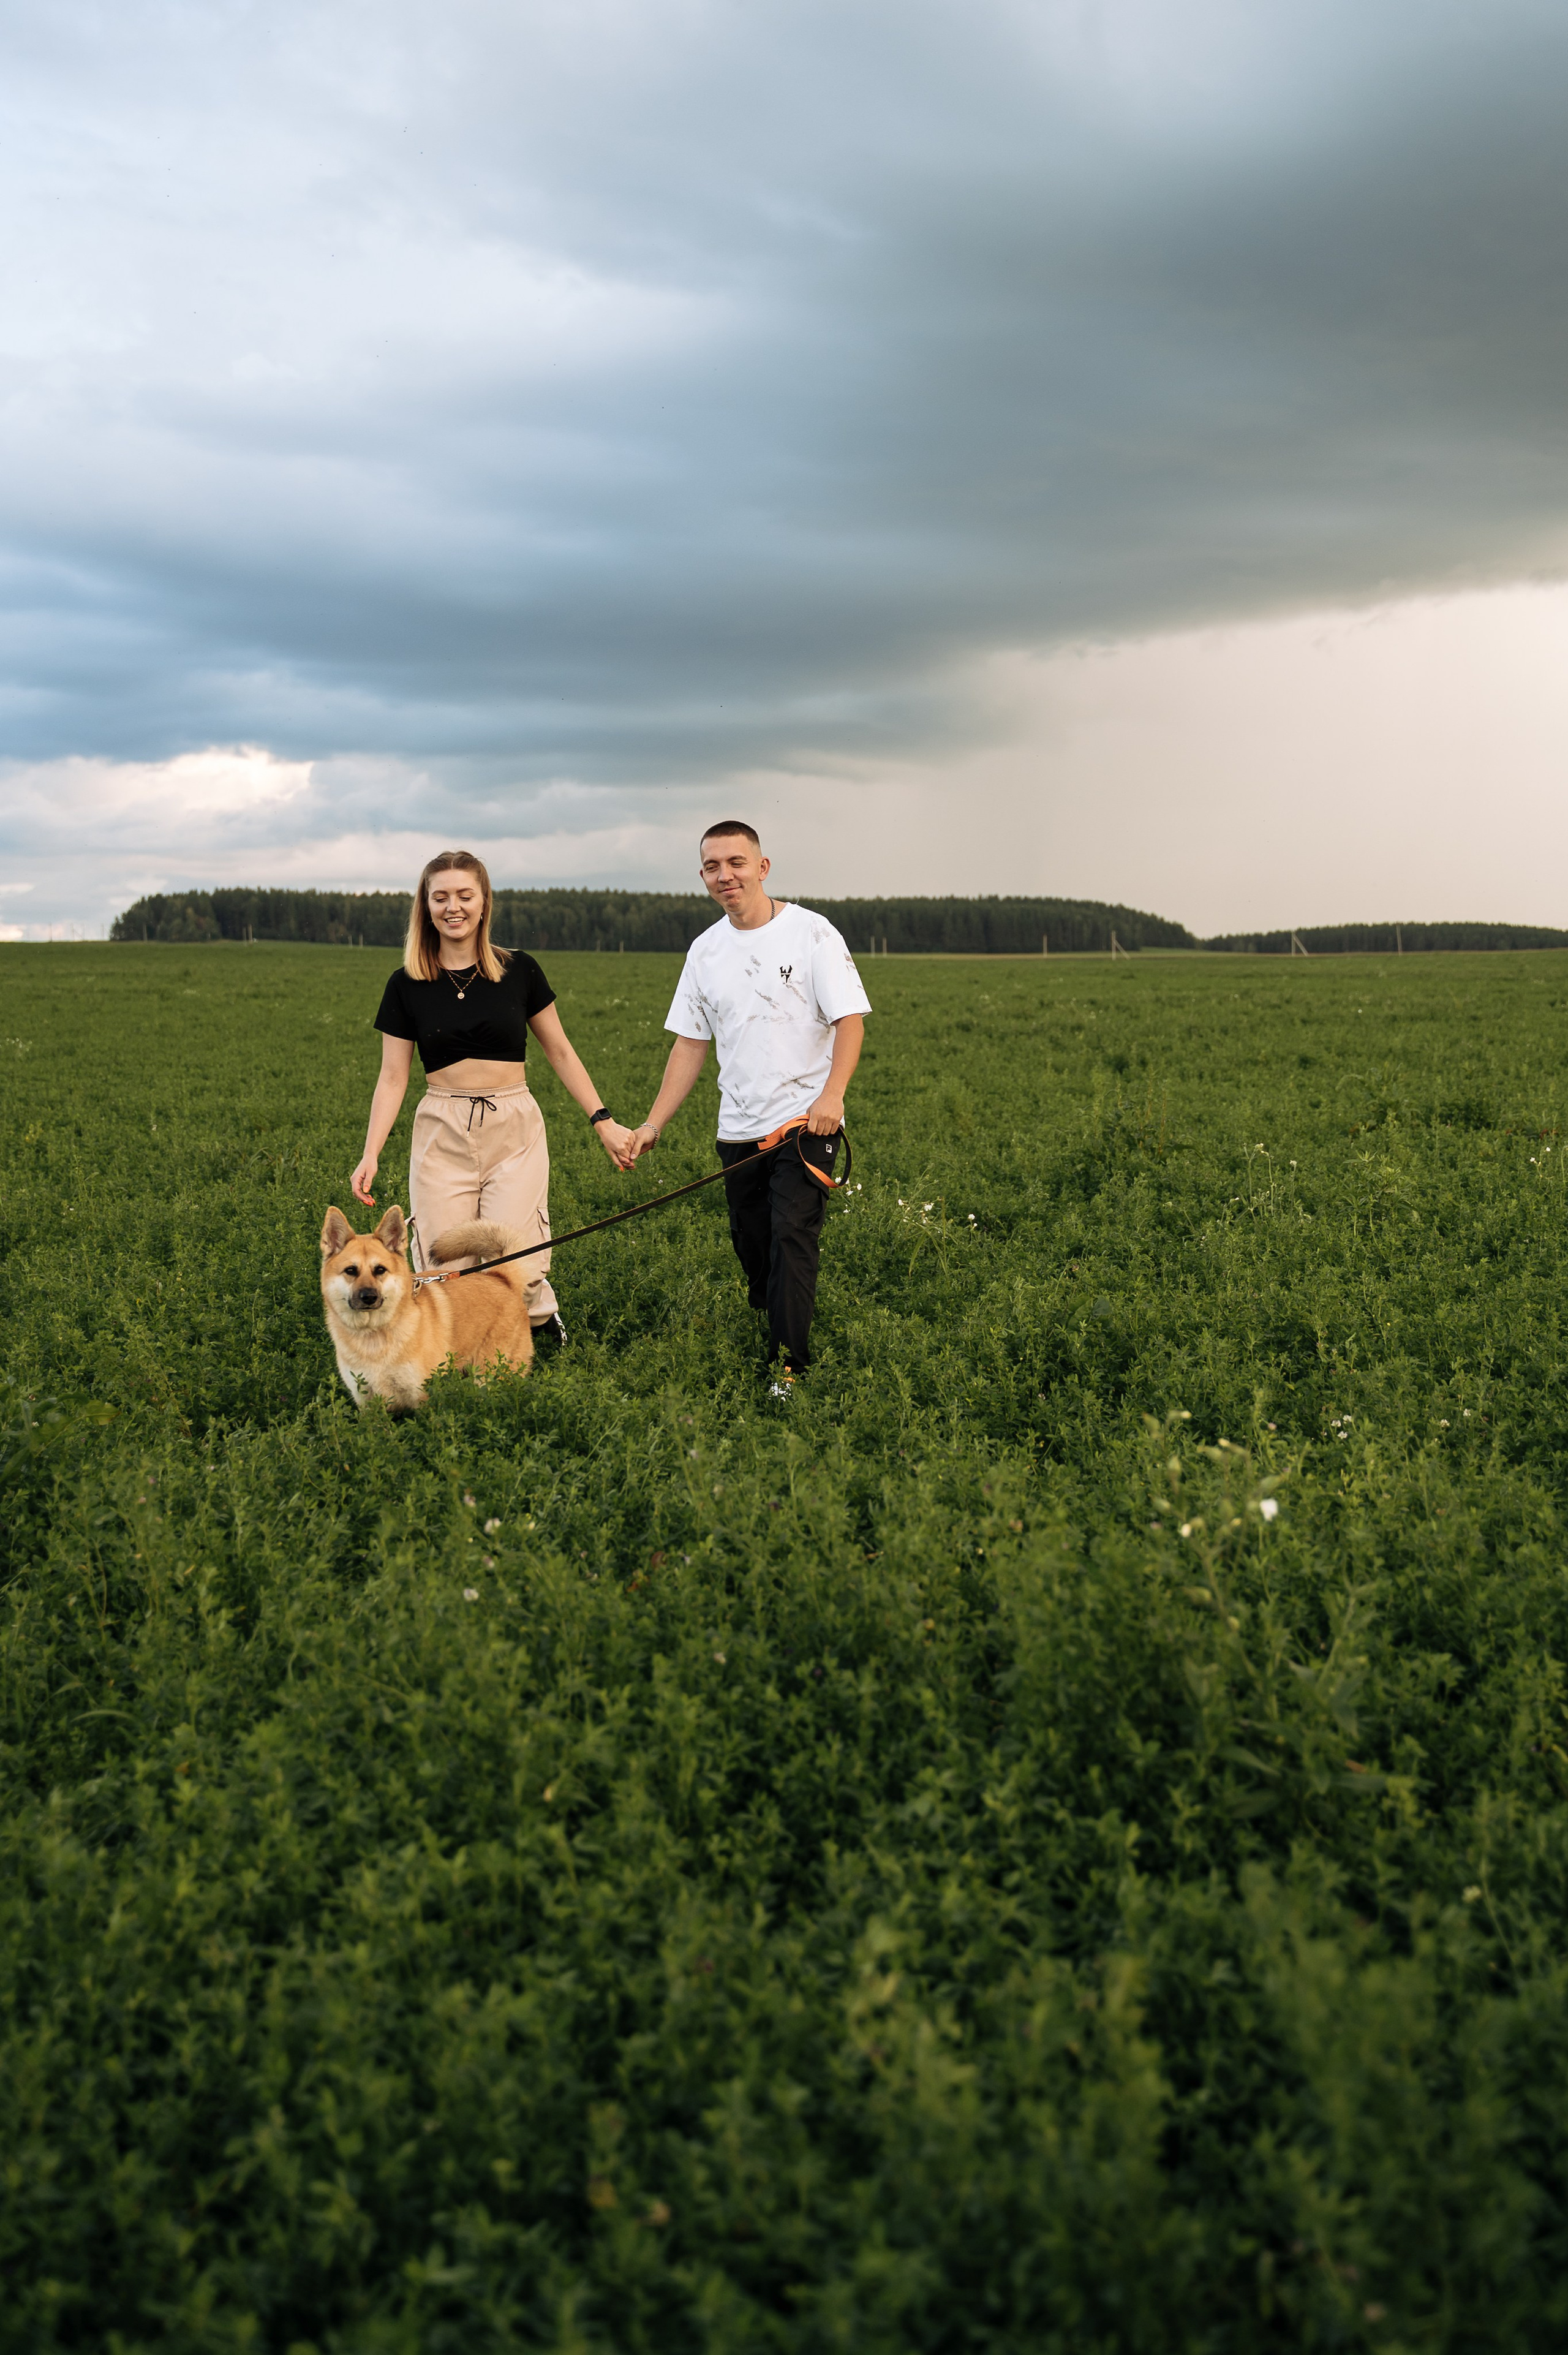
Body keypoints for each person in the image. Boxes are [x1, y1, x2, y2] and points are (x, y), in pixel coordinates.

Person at [350, 849, 636, 1351]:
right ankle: (452, 1356)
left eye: (465, 895)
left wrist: (603, 1120)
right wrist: (371, 1152)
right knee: (444, 1258)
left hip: (514, 1123)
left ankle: (539, 1325)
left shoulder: (519, 970)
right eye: (440, 897)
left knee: (516, 1253)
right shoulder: (407, 983)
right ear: (426, 905)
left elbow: (562, 1052)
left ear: (484, 903)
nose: (453, 907)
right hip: (442, 1125)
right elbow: (392, 1078)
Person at [627, 821, 870, 1394]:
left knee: (792, 1236)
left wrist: (832, 1097)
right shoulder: (705, 951)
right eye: (712, 866)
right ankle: (777, 1316)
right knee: (755, 1248)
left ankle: (790, 1368)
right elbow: (690, 1043)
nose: (724, 875)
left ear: (762, 867)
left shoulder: (812, 933)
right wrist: (654, 1123)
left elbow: (850, 1022)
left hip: (804, 1124)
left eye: (736, 862)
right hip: (737, 1131)